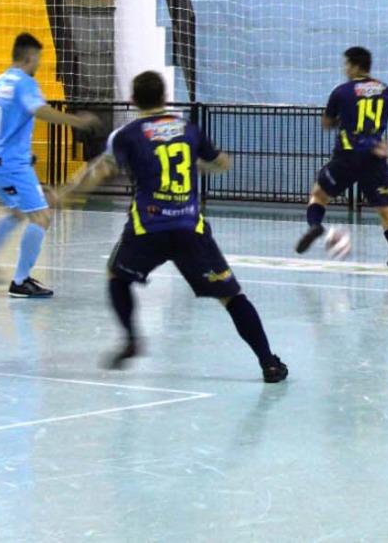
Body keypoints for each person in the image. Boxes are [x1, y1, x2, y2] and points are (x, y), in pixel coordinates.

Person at [56, 71, 287, 382]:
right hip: (189, 226)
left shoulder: (127, 135)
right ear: (165, 97)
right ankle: (268, 362)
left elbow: (98, 172)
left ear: (133, 101)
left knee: (116, 275)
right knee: (232, 297)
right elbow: (221, 164)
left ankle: (131, 338)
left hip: (147, 227)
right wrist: (199, 164)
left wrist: (64, 194)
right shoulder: (189, 129)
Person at [0, 33, 100, 298]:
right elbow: (40, 110)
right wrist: (77, 121)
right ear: (29, 57)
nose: (39, 64)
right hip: (10, 164)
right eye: (38, 59)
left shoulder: (1, 80)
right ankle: (21, 282)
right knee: (42, 216)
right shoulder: (25, 83)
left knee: (17, 213)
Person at [296, 47, 388, 268]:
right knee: (386, 210)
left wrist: (343, 120)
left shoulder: (342, 91)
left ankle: (314, 225)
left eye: (347, 64)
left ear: (356, 66)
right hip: (374, 158)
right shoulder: (386, 91)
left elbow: (326, 123)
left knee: (319, 195)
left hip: (346, 158)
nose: (345, 69)